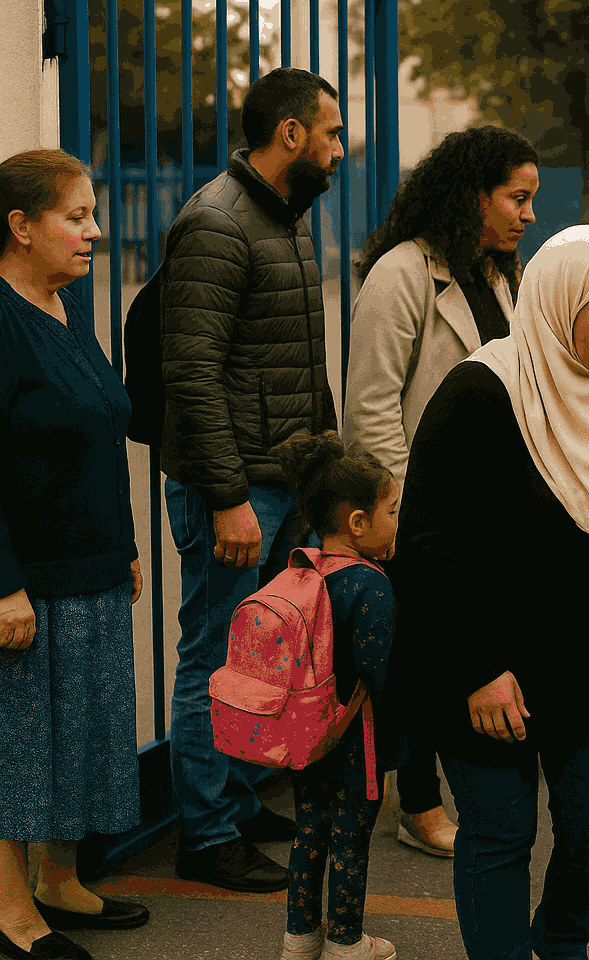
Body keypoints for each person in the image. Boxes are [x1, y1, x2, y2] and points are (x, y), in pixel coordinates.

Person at [389, 225, 589, 960]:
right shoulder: (479, 393)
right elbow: (427, 548)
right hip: (490, 675)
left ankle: (558, 944)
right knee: (501, 835)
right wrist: (477, 668)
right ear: (560, 301)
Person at [158, 66, 344, 892]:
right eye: (331, 133)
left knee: (261, 654)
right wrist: (229, 497)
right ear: (290, 133)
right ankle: (205, 834)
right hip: (234, 489)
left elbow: (300, 364)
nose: (339, 150)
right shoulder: (218, 221)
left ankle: (234, 799)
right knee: (213, 656)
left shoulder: (286, 218)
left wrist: (324, 473)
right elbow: (191, 372)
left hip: (283, 482)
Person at [343, 126, 540, 858]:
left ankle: (463, 783)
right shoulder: (401, 274)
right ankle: (418, 804)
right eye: (516, 198)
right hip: (421, 508)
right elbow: (370, 407)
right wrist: (400, 513)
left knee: (469, 640)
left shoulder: (496, 273)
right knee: (419, 654)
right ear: (472, 195)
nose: (528, 215)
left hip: (491, 505)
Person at [0, 149, 148, 960]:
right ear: (21, 227)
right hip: (32, 580)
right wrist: (3, 587)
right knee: (21, 749)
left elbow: (99, 426)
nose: (95, 231)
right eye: (77, 216)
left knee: (85, 733)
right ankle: (12, 913)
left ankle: (59, 881)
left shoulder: (66, 305)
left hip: (92, 567)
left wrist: (124, 543)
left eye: (92, 214)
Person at [271, 432, 405, 960]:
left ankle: (300, 938)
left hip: (306, 733)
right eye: (391, 511)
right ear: (358, 523)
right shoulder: (371, 585)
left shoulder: (302, 570)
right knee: (351, 837)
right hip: (355, 738)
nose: (397, 520)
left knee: (309, 832)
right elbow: (378, 671)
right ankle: (347, 941)